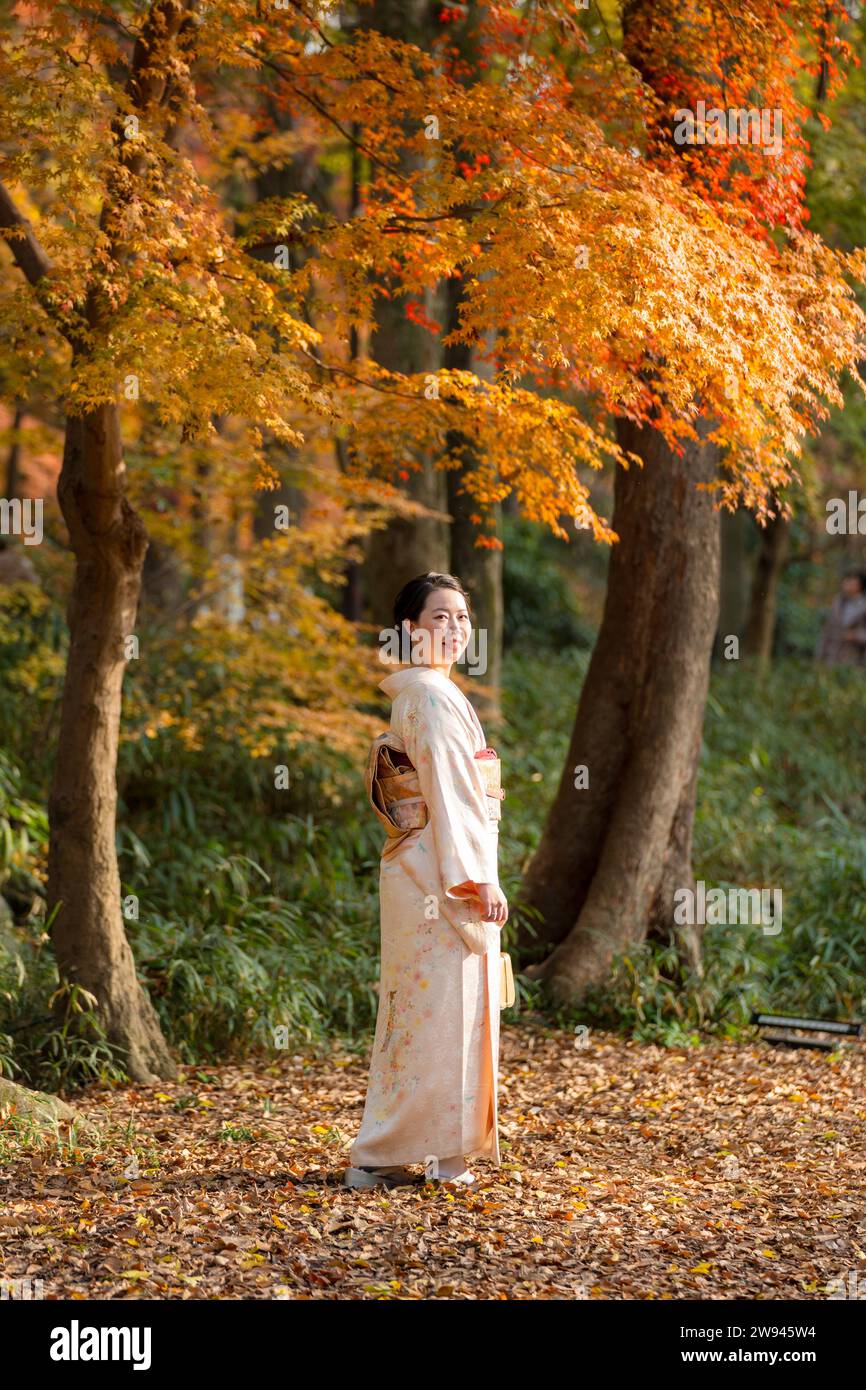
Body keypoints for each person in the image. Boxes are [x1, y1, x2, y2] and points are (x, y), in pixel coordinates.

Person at [345, 572, 507, 1191]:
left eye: (463, 617)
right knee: (444, 1008)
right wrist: (477, 880)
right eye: (441, 617)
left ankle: (398, 1150)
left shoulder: (425, 694)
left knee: (424, 1008)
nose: (456, 628)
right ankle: (437, 1155)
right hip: (440, 873)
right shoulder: (431, 698)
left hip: (419, 867)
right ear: (410, 630)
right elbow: (454, 793)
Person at [816, 571, 866, 667]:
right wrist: (820, 656)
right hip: (832, 658)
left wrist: (855, 635)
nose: (846, 582)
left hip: (854, 661)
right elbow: (827, 630)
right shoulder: (838, 602)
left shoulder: (864, 606)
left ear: (859, 585)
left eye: (851, 580)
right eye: (847, 579)